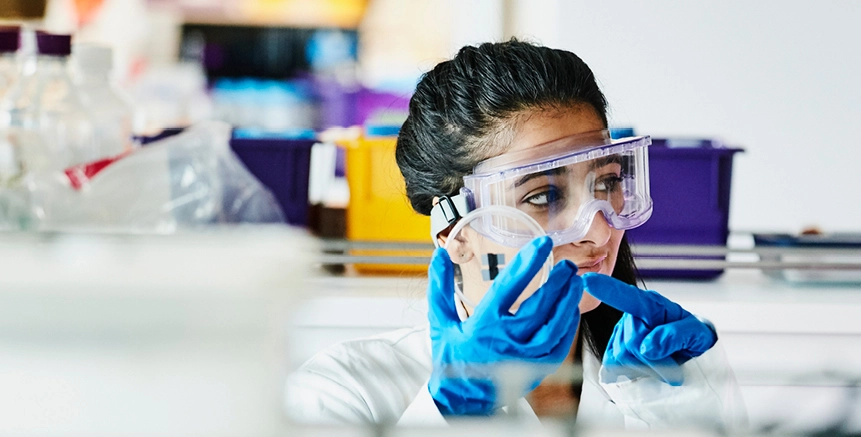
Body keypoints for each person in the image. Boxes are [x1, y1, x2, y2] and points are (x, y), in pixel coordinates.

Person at [286, 40, 745, 429]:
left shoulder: (674, 367)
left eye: (606, 183)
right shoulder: (345, 391)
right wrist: (448, 417)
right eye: (544, 196)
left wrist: (675, 417)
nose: (600, 228)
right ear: (454, 232)